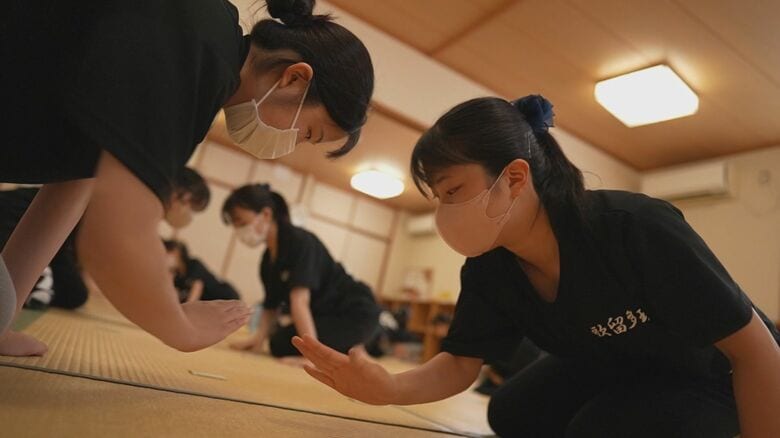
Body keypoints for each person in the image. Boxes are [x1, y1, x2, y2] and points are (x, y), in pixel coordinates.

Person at [292, 95, 780, 437]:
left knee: (597, 432)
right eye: (439, 197)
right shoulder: (489, 267)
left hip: (711, 374)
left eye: (453, 190)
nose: (444, 210)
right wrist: (391, 387)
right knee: (510, 414)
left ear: (515, 177)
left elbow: (756, 352)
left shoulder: (634, 227)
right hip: (614, 366)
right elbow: (463, 361)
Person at [0, 0, 375, 357]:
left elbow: (75, 184)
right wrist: (182, 327)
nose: (292, 145)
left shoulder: (204, 78)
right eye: (307, 133)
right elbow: (114, 239)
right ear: (295, 78)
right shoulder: (201, 40)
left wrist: (4, 316)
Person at [0, 168, 212, 311]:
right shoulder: (137, 199)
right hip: (18, 222)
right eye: (193, 208)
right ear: (181, 196)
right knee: (43, 291)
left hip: (51, 241)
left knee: (75, 295)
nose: (190, 216)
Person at [223, 184, 380, 358]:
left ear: (266, 214)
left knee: (292, 345)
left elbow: (300, 302)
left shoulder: (301, 242)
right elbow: (271, 305)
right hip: (325, 316)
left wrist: (312, 357)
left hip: (355, 314)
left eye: (243, 223)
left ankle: (352, 348)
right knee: (278, 343)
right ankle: (350, 349)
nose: (240, 231)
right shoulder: (267, 261)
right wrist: (258, 339)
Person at [163, 239, 241, 303]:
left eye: (165, 253)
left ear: (176, 252)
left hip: (226, 298)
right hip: (209, 307)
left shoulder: (193, 264)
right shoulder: (177, 277)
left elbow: (196, 291)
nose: (163, 258)